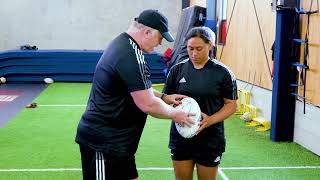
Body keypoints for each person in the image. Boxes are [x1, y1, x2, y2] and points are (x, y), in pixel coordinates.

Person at [75, 9, 195, 180]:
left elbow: (136, 87)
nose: (160, 44)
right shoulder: (130, 55)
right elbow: (147, 104)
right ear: (147, 32)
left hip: (119, 145)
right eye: (160, 38)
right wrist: (176, 114)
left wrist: (164, 97)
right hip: (103, 143)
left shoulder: (124, 45)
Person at [163, 27, 238, 180]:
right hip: (181, 137)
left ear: (209, 46)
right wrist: (174, 107)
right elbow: (166, 99)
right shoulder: (177, 70)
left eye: (199, 49)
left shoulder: (223, 73)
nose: (194, 53)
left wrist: (210, 120)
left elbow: (231, 105)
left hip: (210, 139)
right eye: (190, 48)